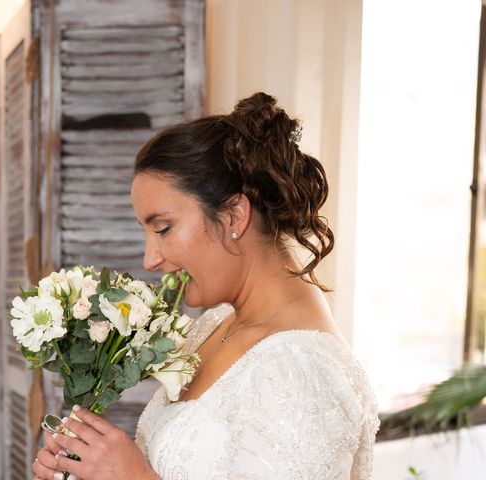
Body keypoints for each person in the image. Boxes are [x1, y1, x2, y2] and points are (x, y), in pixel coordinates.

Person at [32, 92, 380, 480]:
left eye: (163, 228)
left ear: (234, 215)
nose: (151, 259)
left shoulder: (301, 370)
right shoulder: (215, 326)